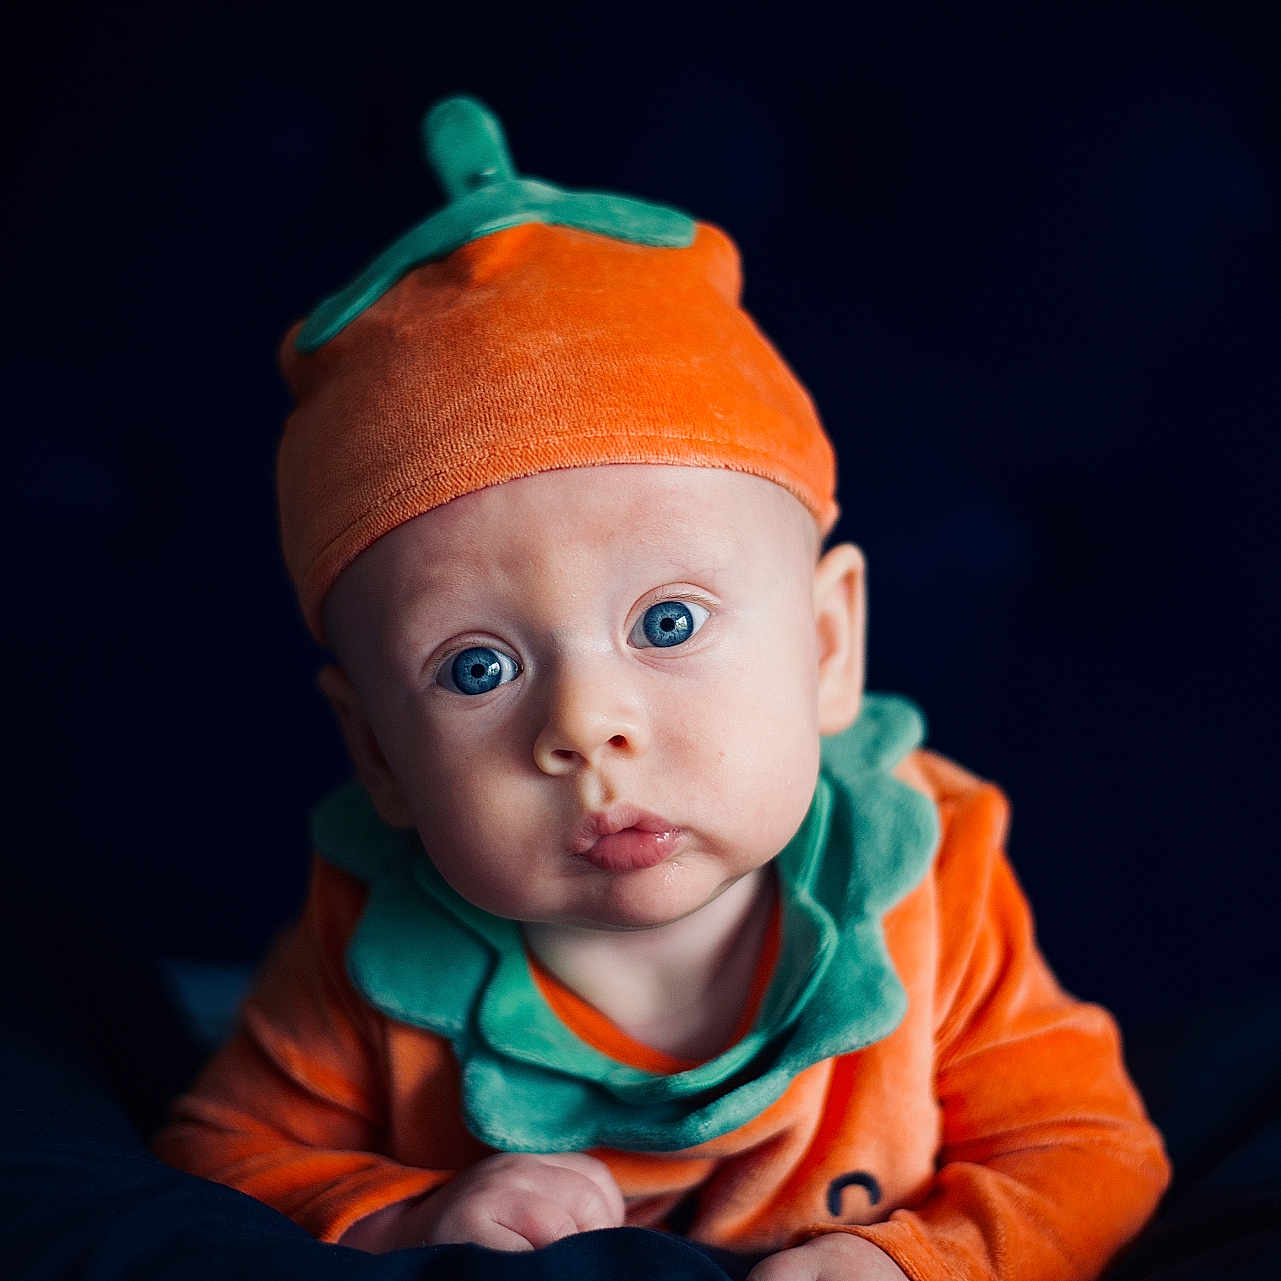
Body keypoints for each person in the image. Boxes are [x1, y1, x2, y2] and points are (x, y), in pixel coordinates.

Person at [152, 94, 1171, 1281]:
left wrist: (912, 1265)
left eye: (668, 622)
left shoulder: (930, 879)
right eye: (477, 668)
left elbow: (1087, 1149)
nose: (588, 727)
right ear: (375, 749)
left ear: (830, 643)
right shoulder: (367, 944)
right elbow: (217, 1155)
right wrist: (405, 1217)